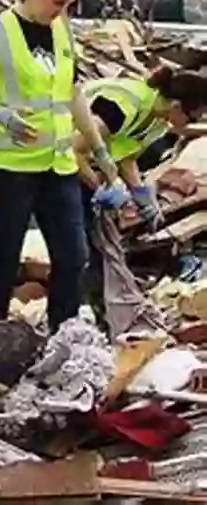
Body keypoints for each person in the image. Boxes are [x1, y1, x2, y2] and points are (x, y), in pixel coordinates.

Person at [0, 0, 117, 332]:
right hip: (8, 168)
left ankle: (65, 333)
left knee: (73, 257)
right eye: (58, 2)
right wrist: (1, 116)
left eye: (69, 4)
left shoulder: (61, 31)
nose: (63, 12)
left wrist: (99, 151)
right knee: (4, 259)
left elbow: (72, 95)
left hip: (57, 166)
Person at [77, 67, 207, 336]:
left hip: (80, 168)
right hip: (47, 164)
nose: (194, 122)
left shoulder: (157, 120)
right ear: (176, 105)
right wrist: (101, 189)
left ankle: (107, 319)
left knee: (105, 248)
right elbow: (72, 150)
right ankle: (81, 316)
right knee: (80, 250)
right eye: (194, 115)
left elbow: (126, 156)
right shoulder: (123, 105)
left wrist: (141, 195)